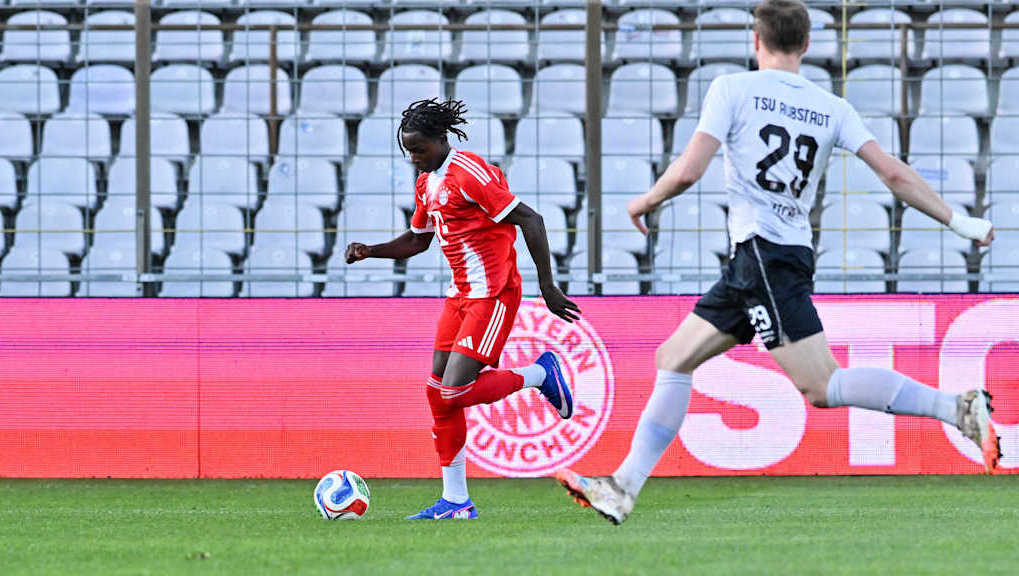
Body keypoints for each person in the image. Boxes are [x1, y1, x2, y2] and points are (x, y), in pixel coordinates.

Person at [556, 0, 1000, 525]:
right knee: (673, 358)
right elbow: (895, 175)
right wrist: (958, 221)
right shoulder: (832, 107)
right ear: (807, 45)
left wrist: (643, 202)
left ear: (755, 39)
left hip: (764, 255)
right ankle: (621, 488)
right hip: (767, 256)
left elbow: (687, 171)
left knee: (823, 386)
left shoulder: (732, 89)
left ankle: (958, 408)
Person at [345, 98, 582, 520]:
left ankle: (540, 374)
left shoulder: (470, 173)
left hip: (492, 294)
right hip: (460, 296)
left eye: (419, 149)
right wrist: (370, 251)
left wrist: (548, 286)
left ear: (441, 139)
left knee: (454, 389)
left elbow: (531, 219)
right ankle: (456, 501)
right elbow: (418, 241)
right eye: (408, 150)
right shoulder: (426, 183)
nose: (413, 157)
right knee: (437, 394)